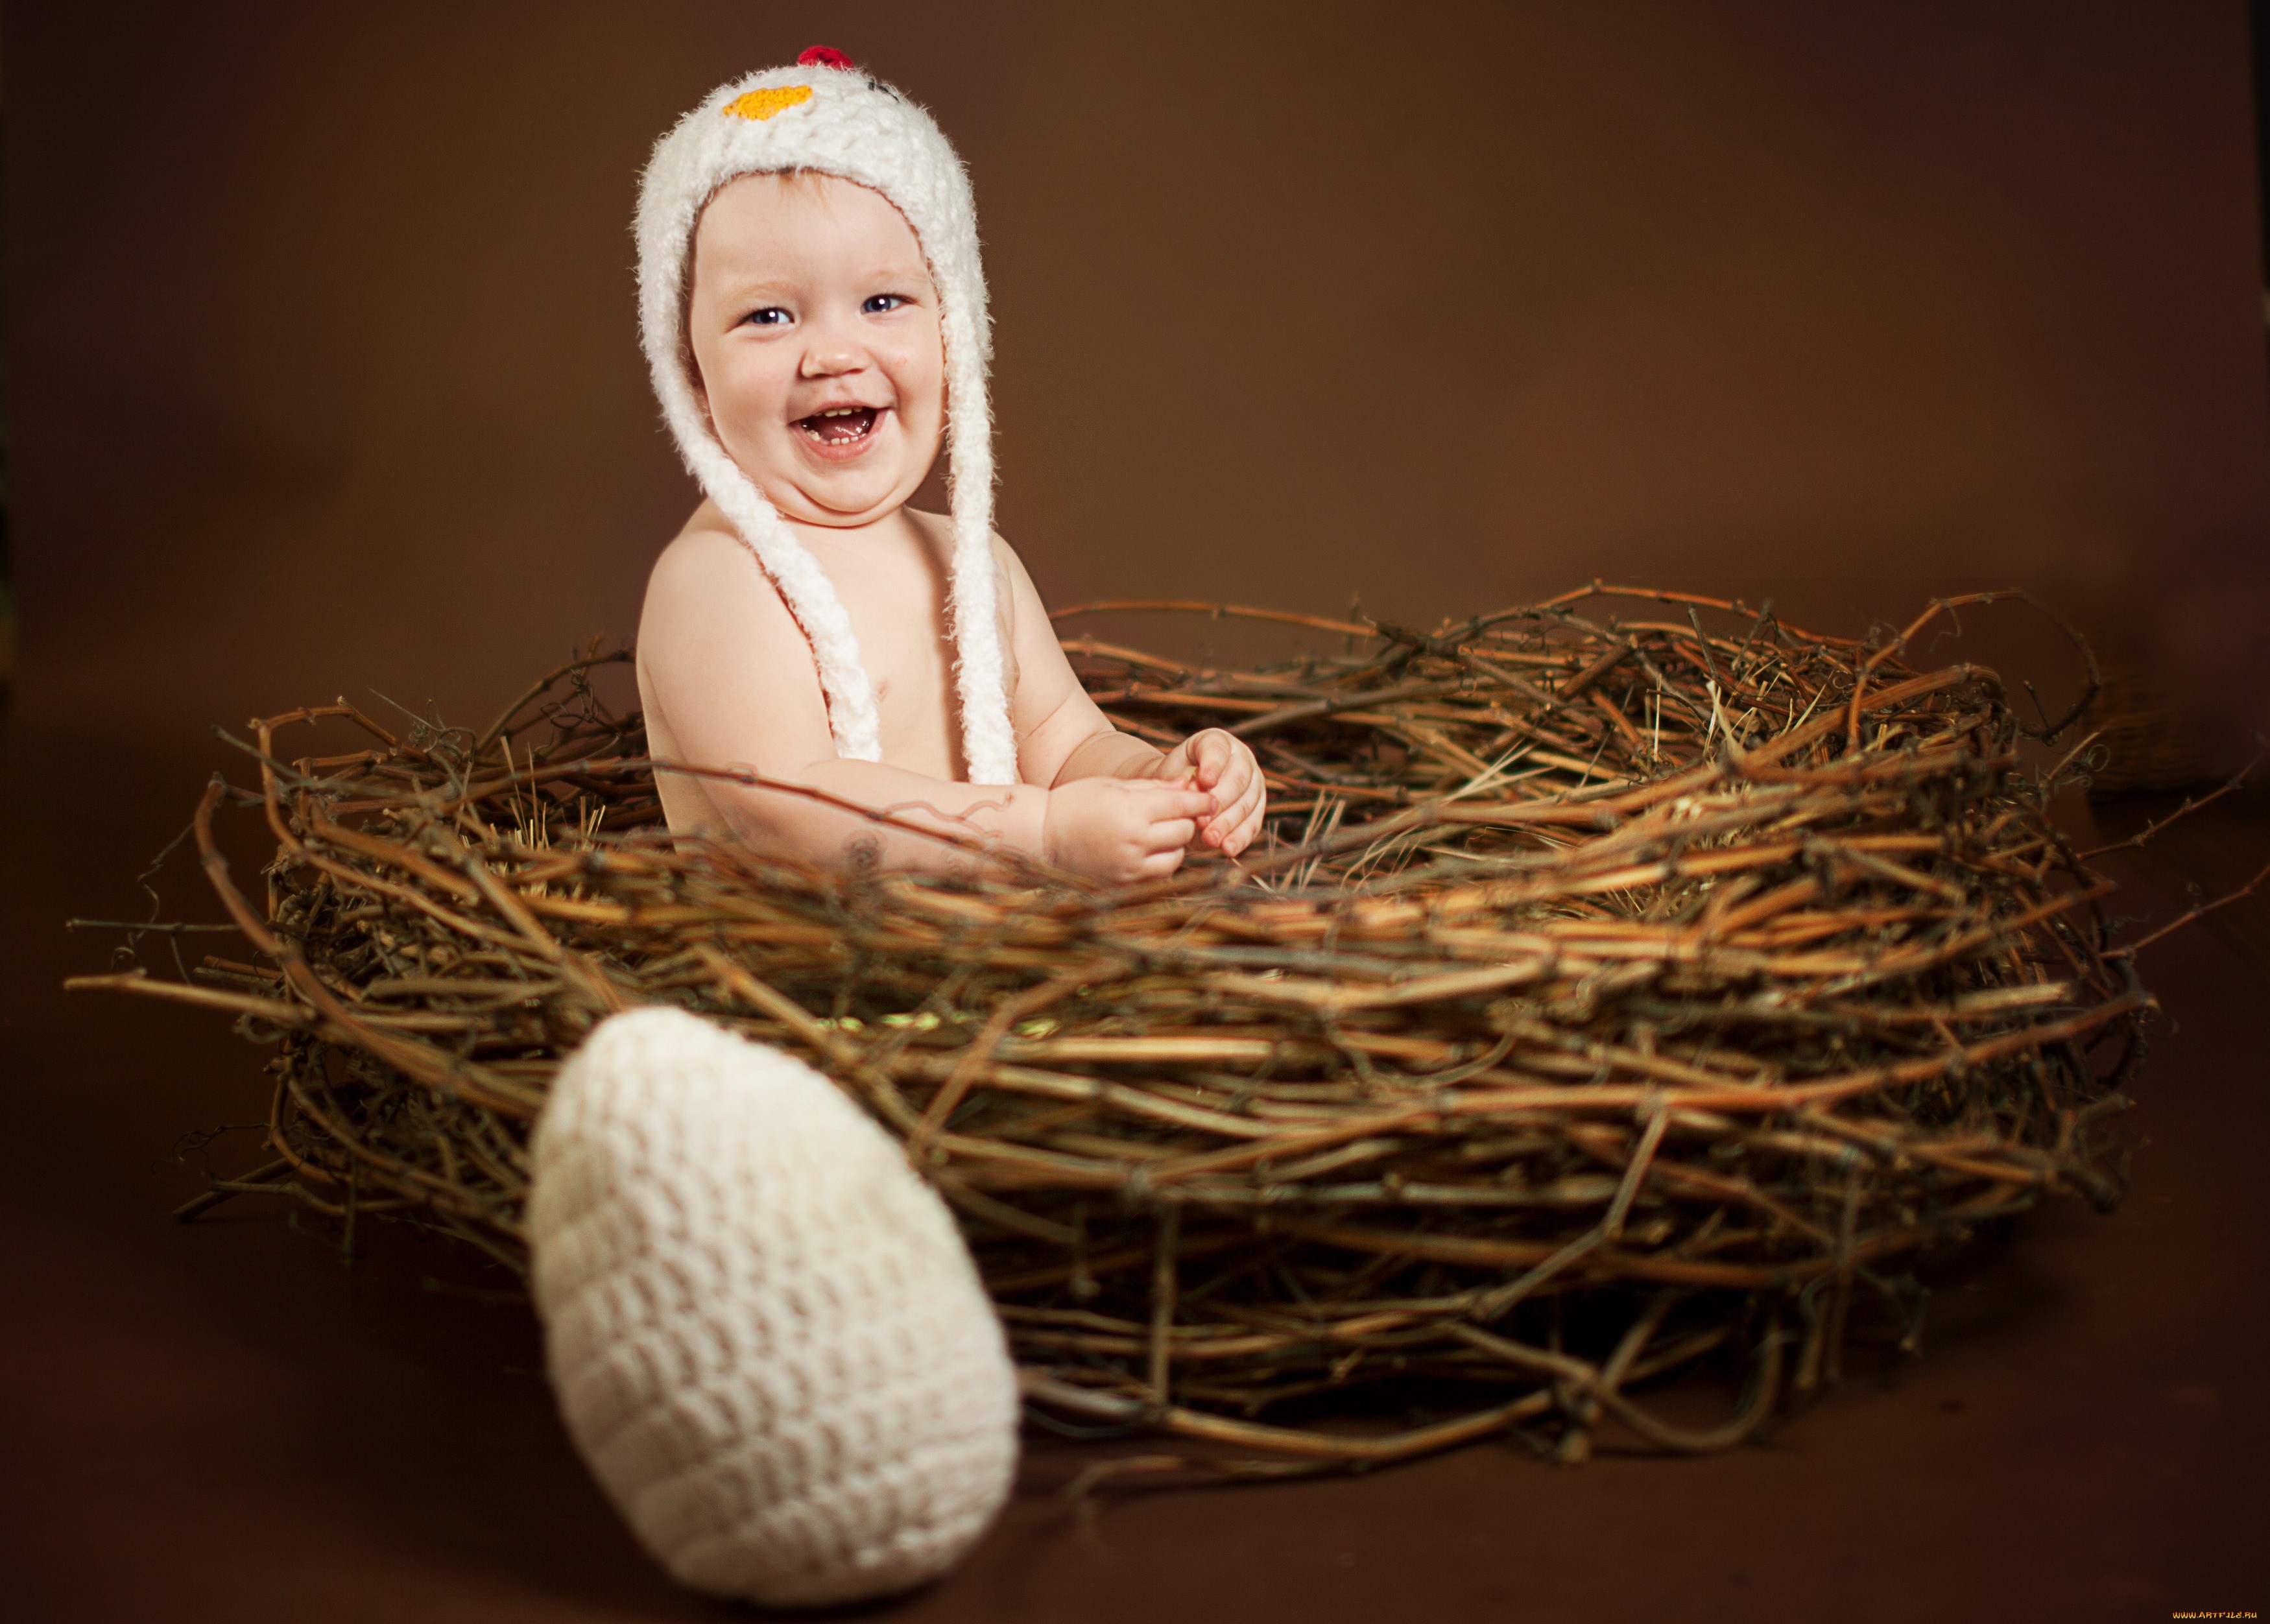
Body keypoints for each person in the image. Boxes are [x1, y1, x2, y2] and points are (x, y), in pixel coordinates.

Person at [632, 53, 1265, 885]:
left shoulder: (975, 564)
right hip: (800, 1000)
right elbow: (787, 805)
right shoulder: (714, 581)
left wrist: (1157, 784)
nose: (831, 352)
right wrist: (1041, 834)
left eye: (882, 301)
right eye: (768, 314)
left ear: (954, 332)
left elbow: (1066, 744)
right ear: (690, 372)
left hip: (986, 992)